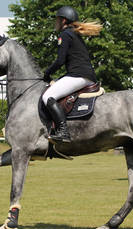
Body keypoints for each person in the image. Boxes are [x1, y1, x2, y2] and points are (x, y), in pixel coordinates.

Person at [42, 6, 102, 143]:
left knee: (48, 96)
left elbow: (60, 60)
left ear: (63, 21)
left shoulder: (64, 35)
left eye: (57, 20)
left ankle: (63, 131)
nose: (55, 23)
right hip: (84, 76)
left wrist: (47, 73)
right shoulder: (74, 34)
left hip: (78, 76)